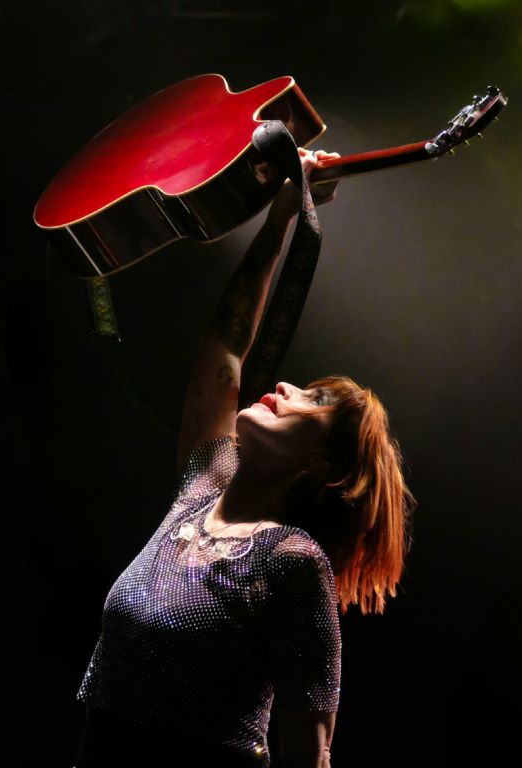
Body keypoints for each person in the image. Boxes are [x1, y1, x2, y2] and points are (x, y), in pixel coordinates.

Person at [73, 148, 415, 768]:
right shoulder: (202, 487)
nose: (285, 387)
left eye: (311, 401)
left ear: (323, 467)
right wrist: (279, 221)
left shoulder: (291, 563)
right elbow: (227, 348)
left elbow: (306, 756)